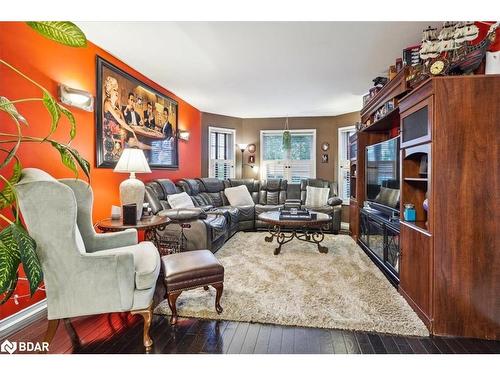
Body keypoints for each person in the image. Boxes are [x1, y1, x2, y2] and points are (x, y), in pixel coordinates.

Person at [102, 77, 151, 158]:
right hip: (110, 135)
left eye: (117, 90)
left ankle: (152, 148)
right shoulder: (107, 103)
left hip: (119, 133)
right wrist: (131, 130)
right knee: (133, 141)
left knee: (136, 142)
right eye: (114, 90)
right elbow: (119, 121)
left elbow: (123, 122)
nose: (117, 92)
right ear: (109, 91)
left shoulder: (117, 108)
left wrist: (131, 130)